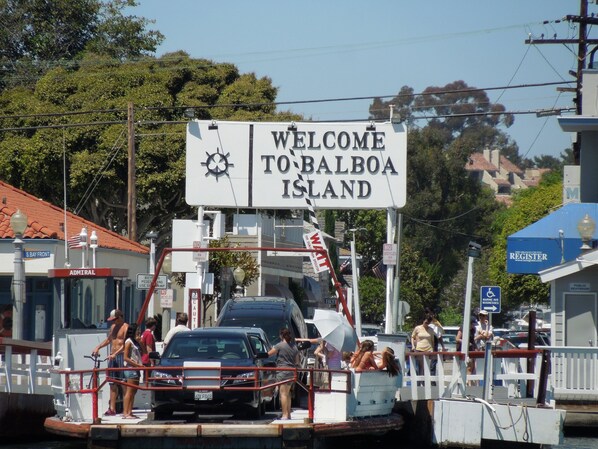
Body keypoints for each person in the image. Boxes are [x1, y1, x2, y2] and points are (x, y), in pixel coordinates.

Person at [92, 309, 128, 416]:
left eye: (115, 320)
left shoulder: (126, 327)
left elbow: (126, 344)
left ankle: (126, 409)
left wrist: (115, 354)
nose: (113, 322)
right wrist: (98, 347)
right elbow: (109, 340)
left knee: (123, 383)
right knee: (112, 383)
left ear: (120, 317)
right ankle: (112, 409)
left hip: (121, 356)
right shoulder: (113, 327)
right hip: (112, 358)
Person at [267, 327, 300, 420]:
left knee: (283, 394)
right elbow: (297, 361)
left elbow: (269, 354)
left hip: (282, 371)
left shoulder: (279, 346)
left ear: (281, 335)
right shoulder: (294, 347)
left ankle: (284, 415)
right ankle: (288, 414)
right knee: (288, 393)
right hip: (292, 372)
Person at [122, 323, 144, 419]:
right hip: (131, 368)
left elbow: (143, 352)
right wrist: (137, 365)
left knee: (134, 391)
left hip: (136, 368)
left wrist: (141, 342)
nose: (139, 332)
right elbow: (126, 358)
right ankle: (126, 412)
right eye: (138, 330)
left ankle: (130, 411)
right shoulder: (128, 342)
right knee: (129, 391)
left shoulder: (135, 342)